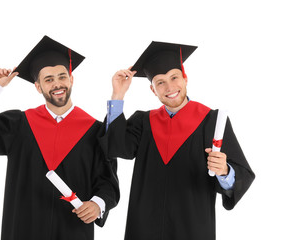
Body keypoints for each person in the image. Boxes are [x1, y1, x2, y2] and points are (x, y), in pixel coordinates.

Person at [0, 35, 119, 240]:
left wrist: (98, 204)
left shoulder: (95, 131)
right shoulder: (19, 124)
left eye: (62, 76)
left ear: (71, 79)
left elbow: (108, 181)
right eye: (48, 79)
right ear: (37, 86)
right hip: (24, 228)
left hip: (72, 229)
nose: (57, 84)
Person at [101, 41, 255, 240]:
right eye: (160, 82)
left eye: (174, 77)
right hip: (145, 227)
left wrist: (224, 171)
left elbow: (242, 174)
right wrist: (118, 95)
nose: (169, 87)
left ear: (185, 78)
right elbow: (115, 147)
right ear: (153, 90)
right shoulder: (143, 122)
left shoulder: (212, 121)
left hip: (192, 228)